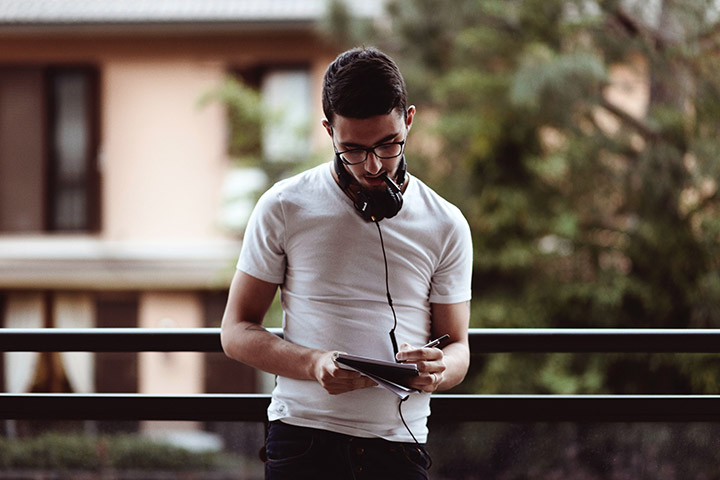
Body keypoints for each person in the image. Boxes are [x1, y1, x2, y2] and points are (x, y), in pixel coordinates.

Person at [221, 46, 473, 480]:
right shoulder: (283, 206)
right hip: (303, 440)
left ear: (408, 120)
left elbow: (459, 348)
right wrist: (313, 364)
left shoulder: (446, 223)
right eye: (353, 149)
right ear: (328, 131)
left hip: (400, 446)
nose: (374, 166)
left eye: (388, 144)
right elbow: (236, 332)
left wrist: (438, 371)